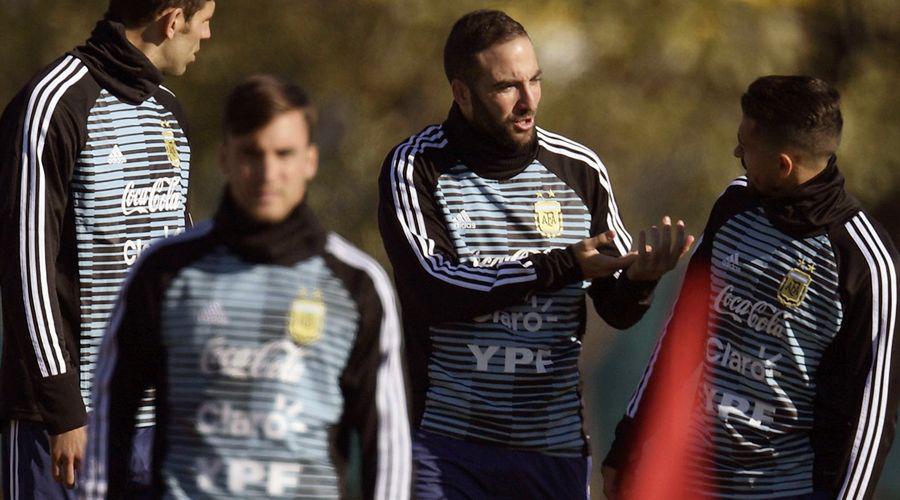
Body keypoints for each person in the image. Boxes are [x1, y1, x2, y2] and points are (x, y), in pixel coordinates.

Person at [377, 9, 692, 498]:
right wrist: (561, 265)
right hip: (446, 448)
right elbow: (432, 286)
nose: (528, 101)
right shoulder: (416, 166)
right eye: (507, 87)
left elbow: (615, 306)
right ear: (461, 94)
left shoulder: (579, 169)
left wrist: (641, 279)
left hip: (554, 450)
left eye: (535, 81)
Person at [83, 75, 412, 499]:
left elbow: (385, 449)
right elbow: (112, 414)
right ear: (224, 157)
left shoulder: (357, 284)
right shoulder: (164, 272)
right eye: (251, 154)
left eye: (284, 154)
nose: (267, 173)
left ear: (310, 160)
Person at [602, 76, 900, 499]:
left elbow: (869, 417)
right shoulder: (734, 206)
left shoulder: (863, 262)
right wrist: (628, 444)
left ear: (784, 165)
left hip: (783, 490)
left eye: (746, 146)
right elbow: (680, 335)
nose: (736, 152)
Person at [0, 0, 215, 497]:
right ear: (172, 18)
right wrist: (63, 411)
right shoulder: (53, 102)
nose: (207, 36)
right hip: (64, 427)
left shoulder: (169, 110)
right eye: (205, 21)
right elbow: (23, 264)